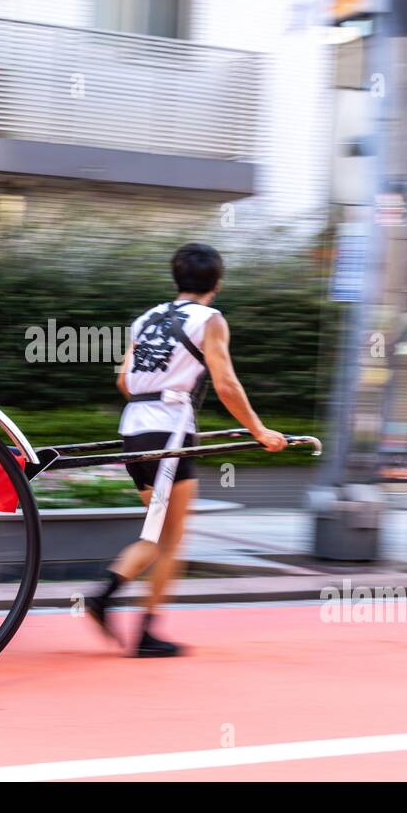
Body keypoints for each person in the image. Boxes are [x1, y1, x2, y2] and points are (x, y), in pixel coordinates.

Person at [86, 242, 287, 657]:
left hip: (135, 430)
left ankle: (107, 599)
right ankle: (135, 624)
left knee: (158, 531)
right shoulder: (211, 320)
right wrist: (260, 430)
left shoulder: (146, 318)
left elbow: (124, 381)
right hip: (170, 432)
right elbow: (227, 384)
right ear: (216, 283)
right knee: (171, 539)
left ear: (177, 278)